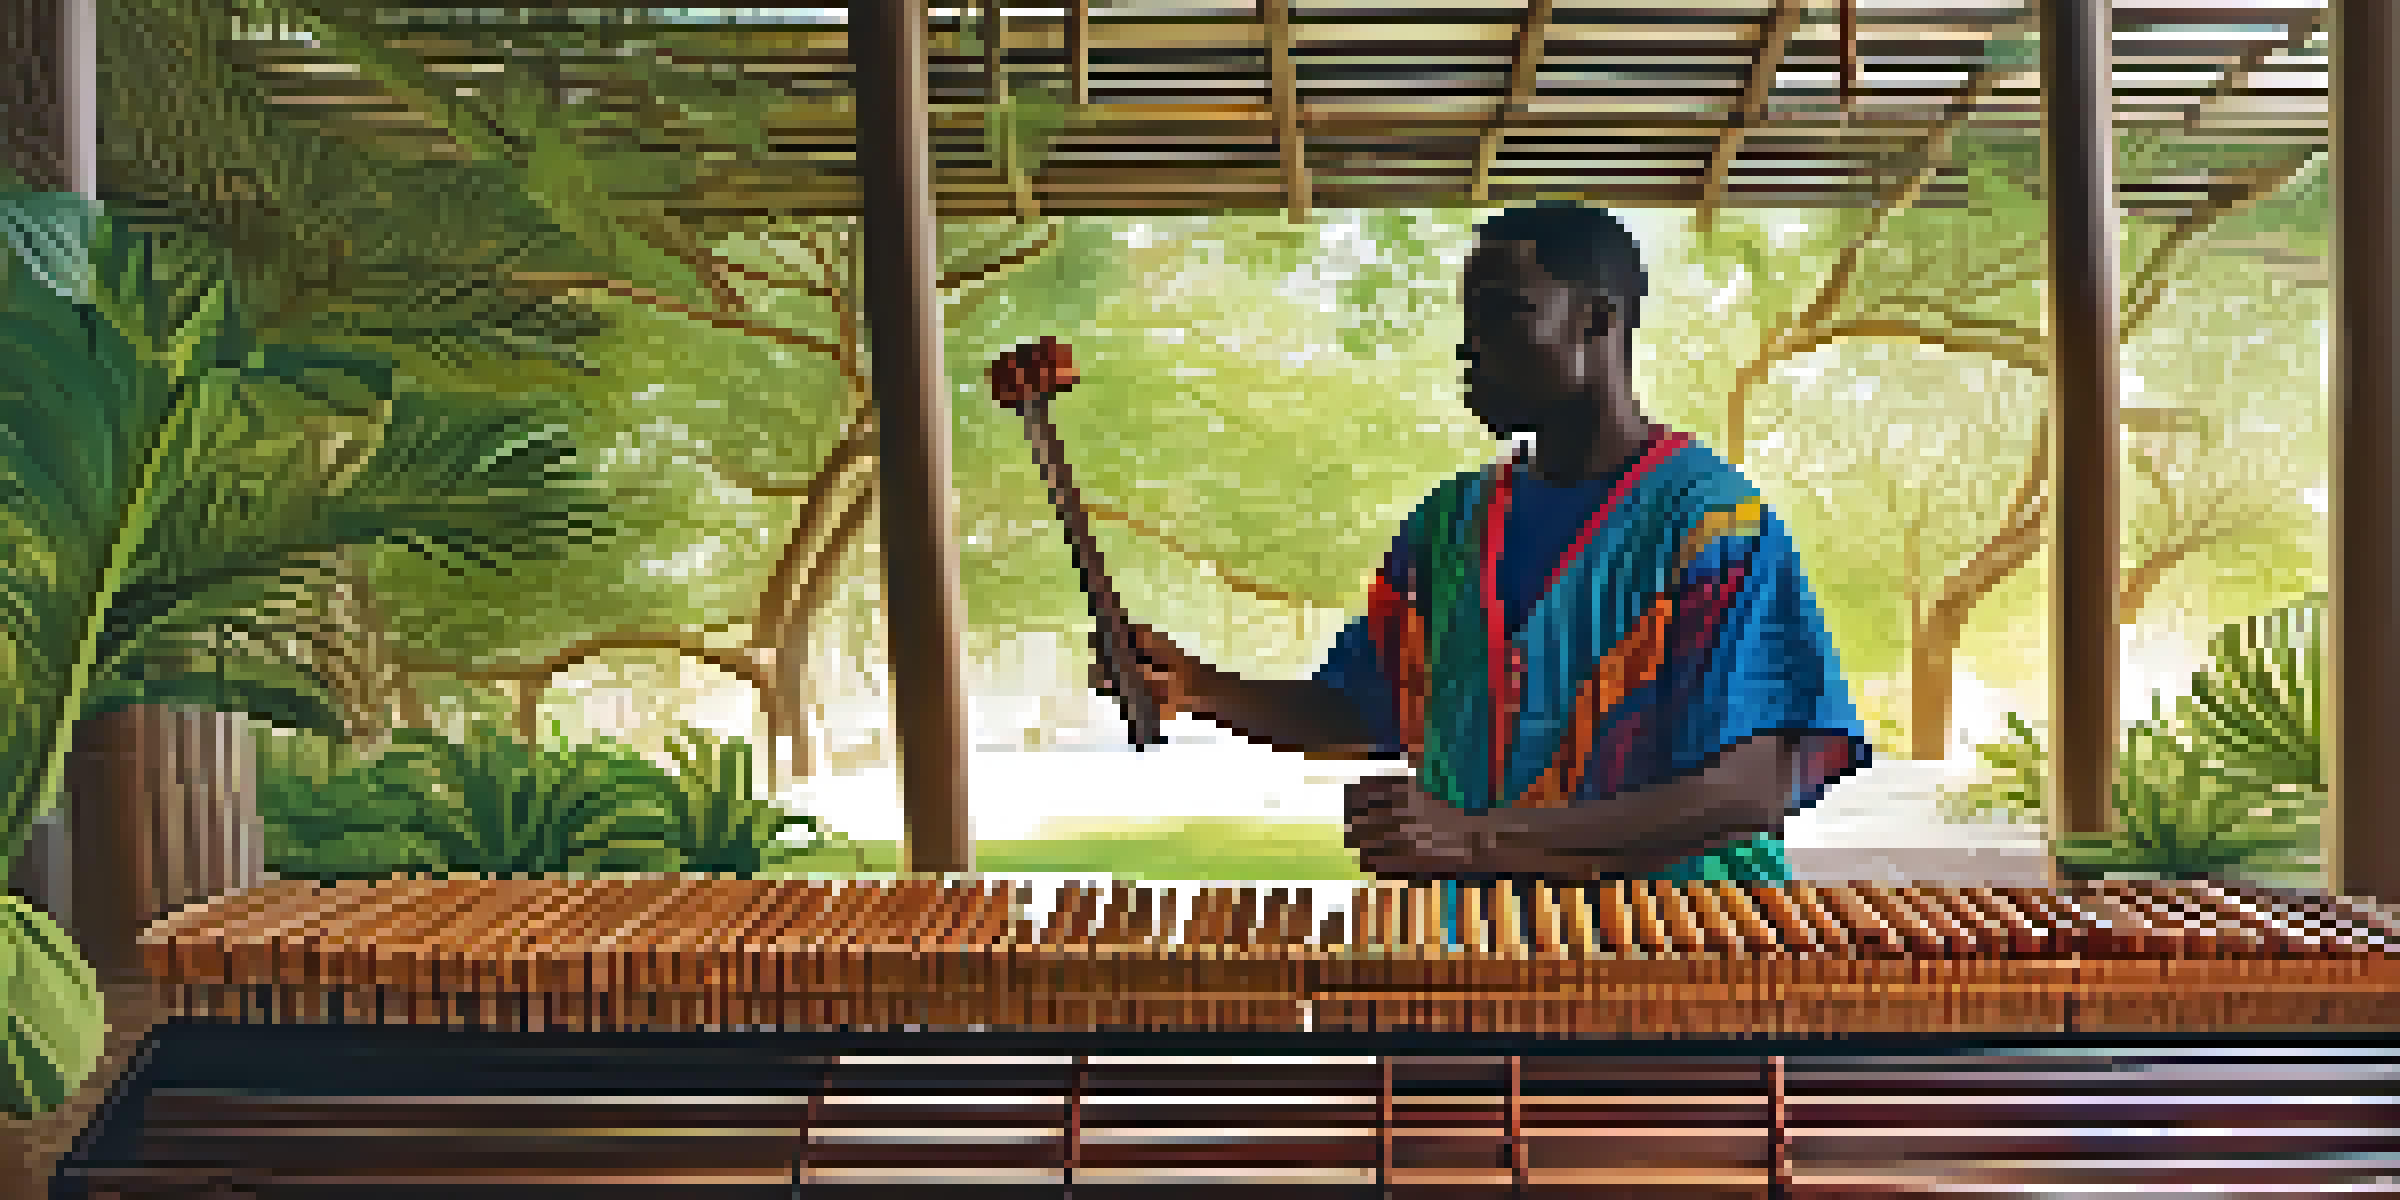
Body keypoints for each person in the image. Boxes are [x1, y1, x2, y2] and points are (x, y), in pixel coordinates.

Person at [1100, 203, 1872, 938]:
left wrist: (1471, 840)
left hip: (1673, 957)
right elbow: (1365, 708)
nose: (1470, 348)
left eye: (1503, 314)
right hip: (1478, 948)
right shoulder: (1450, 524)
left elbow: (1745, 793)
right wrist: (1201, 689)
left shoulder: (1712, 523)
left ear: (1597, 322)